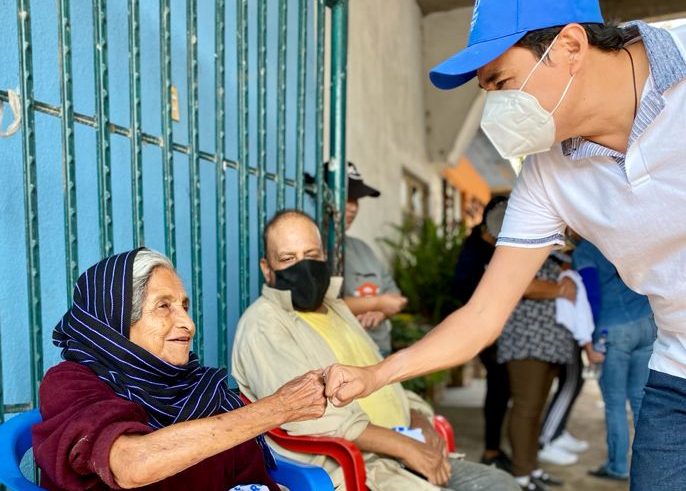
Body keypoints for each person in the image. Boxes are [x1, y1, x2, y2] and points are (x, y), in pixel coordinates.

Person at [322, 2, 686, 489]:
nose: (494, 107)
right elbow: (481, 317)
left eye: (500, 82)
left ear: (571, 48)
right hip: (676, 373)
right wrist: (376, 375)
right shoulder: (548, 175)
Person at [232, 210, 518, 491]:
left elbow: (380, 379)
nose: (303, 267)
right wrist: (406, 447)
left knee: (501, 483)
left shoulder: (336, 309)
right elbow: (312, 417)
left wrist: (421, 422)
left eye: (311, 255)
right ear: (267, 269)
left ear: (324, 257)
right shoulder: (264, 325)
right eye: (288, 258)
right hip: (364, 468)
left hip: (401, 448)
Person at [33, 248, 327, 491]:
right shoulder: (69, 382)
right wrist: (278, 408)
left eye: (185, 307)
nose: (188, 324)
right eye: (164, 307)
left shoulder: (203, 392)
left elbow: (250, 480)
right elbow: (131, 465)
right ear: (116, 321)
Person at [572, 238, 656, 481]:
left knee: (615, 402)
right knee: (641, 399)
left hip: (613, 329)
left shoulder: (586, 251)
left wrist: (590, 340)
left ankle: (618, 466)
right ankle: (650, 467)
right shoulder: (622, 237)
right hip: (645, 323)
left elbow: (591, 294)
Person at [495, 255, 577, 490]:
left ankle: (532, 469)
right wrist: (561, 288)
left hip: (548, 344)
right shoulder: (522, 250)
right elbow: (527, 287)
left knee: (535, 410)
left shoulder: (552, 256)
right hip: (527, 342)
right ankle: (521, 474)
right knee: (525, 408)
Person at [452, 197, 512, 472]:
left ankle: (495, 446)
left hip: (505, 328)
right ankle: (491, 450)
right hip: (484, 328)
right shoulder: (474, 248)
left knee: (503, 389)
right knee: (498, 386)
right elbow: (462, 288)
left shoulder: (503, 246)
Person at [343, 162, 408, 356]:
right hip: (344, 358)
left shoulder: (363, 249)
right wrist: (377, 303)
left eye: (356, 199)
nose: (353, 207)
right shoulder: (312, 250)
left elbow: (397, 297)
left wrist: (381, 311)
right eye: (346, 198)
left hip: (379, 352)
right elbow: (323, 305)